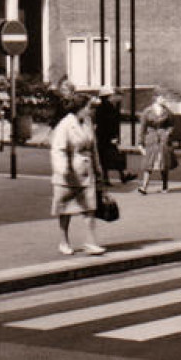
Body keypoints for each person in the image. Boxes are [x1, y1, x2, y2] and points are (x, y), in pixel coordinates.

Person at [51, 94, 106, 256]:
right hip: (69, 173)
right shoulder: (65, 125)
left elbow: (93, 148)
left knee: (89, 208)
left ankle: (90, 241)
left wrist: (98, 170)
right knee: (65, 210)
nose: (91, 111)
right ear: (79, 108)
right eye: (89, 108)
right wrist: (63, 169)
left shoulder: (88, 123)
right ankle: (64, 241)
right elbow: (58, 149)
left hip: (86, 172)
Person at [137, 93, 176, 195]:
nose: (164, 100)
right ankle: (144, 187)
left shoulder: (168, 112)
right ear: (156, 99)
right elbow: (142, 128)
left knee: (164, 163)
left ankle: (164, 186)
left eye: (164, 98)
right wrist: (140, 143)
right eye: (162, 98)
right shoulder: (147, 111)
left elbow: (171, 125)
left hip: (163, 139)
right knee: (148, 163)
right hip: (151, 139)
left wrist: (167, 133)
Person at [92, 89, 127, 184]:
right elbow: (112, 123)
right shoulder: (109, 108)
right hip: (107, 136)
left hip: (101, 135)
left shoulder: (100, 108)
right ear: (108, 97)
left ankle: (109, 177)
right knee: (114, 155)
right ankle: (121, 175)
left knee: (105, 157)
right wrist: (114, 136)